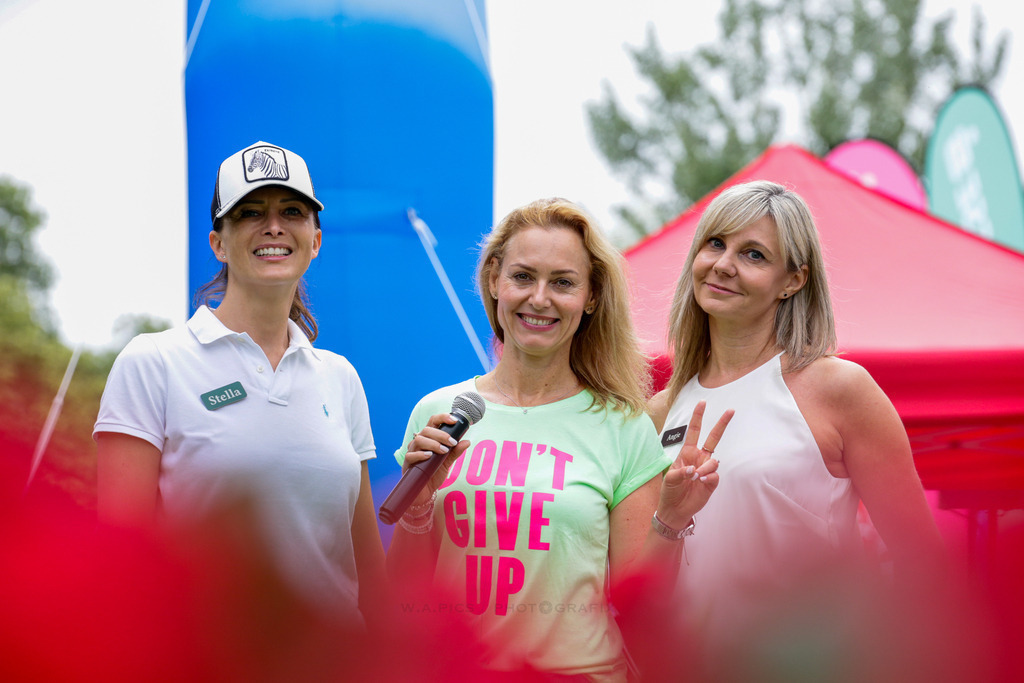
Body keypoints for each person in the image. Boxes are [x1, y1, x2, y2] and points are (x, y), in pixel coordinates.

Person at [386, 198, 732, 681]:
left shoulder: (623, 425)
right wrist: (419, 509)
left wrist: (671, 519)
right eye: (523, 277)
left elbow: (642, 603)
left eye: (563, 282)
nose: (540, 298)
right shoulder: (438, 412)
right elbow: (403, 594)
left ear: (590, 298)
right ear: (494, 282)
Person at [93, 141, 386, 629]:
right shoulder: (153, 362)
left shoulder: (340, 377)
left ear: (315, 240)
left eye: (292, 211)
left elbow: (368, 570)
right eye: (250, 212)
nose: (273, 226)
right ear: (219, 243)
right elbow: (122, 562)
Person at [647, 180, 946, 651]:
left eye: (754, 255)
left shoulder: (839, 389)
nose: (724, 265)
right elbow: (641, 583)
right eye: (716, 243)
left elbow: (924, 563)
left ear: (794, 280)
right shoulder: (659, 411)